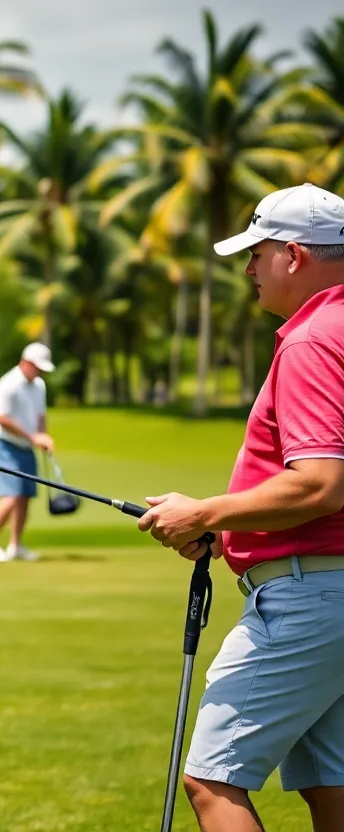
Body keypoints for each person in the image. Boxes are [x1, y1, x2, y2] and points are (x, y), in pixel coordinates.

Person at [137, 183, 344, 832]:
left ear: (294, 254)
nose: (249, 269)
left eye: (257, 253)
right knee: (333, 784)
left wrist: (204, 513)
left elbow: (320, 485)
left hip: (309, 599)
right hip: (331, 587)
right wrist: (231, 526)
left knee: (211, 780)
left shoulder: (312, 339)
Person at [0, 342, 55, 563]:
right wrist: (32, 437)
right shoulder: (8, 384)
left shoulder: (39, 385)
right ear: (25, 362)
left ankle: (15, 545)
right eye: (36, 367)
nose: (39, 371)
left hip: (26, 446)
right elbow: (1, 418)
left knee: (24, 496)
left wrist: (43, 436)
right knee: (12, 494)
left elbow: (40, 416)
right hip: (5, 444)